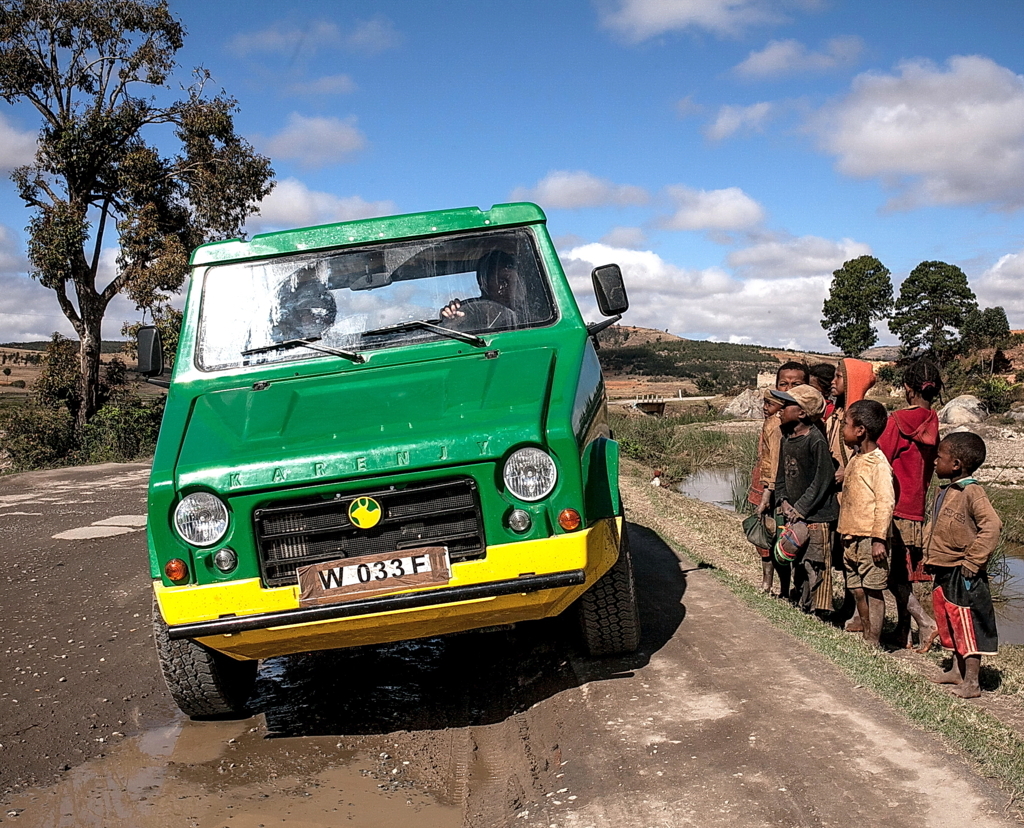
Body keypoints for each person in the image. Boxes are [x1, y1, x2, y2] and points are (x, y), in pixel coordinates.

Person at [925, 432, 1002, 698]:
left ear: (956, 464)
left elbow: (992, 526)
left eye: (940, 457)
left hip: (963, 571)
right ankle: (957, 671)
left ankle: (972, 682)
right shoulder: (946, 491)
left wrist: (974, 560)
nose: (935, 462)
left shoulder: (972, 492)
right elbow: (934, 527)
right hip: (944, 568)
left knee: (967, 624)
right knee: (949, 621)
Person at [878, 359, 942, 651]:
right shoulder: (932, 422)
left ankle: (924, 621)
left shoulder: (897, 422)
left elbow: (881, 461)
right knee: (905, 573)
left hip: (895, 504)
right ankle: (903, 631)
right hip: (917, 505)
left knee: (891, 575)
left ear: (907, 389)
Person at [764, 383, 839, 611]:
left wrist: (801, 508)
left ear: (802, 413)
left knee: (816, 563)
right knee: (797, 559)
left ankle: (819, 608)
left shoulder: (815, 440)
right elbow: (781, 474)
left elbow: (823, 479)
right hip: (794, 512)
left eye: (787, 405)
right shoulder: (787, 437)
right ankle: (802, 602)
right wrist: (784, 500)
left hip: (817, 516)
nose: (780, 409)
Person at [836, 400, 895, 648]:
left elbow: (885, 502)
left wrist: (879, 539)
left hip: (869, 539)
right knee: (857, 588)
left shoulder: (878, 464)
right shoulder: (856, 458)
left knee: (872, 590)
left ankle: (873, 638)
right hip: (850, 535)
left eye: (846, 425)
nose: (842, 429)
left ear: (860, 430)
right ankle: (866, 628)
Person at [748, 388, 784, 593]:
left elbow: (774, 463)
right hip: (761, 487)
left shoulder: (775, 426)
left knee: (769, 536)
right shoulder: (770, 424)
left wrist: (767, 494)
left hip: (768, 490)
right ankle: (769, 583)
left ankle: (771, 584)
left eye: (769, 404)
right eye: (765, 403)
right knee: (764, 537)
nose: (764, 408)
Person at [440, 250, 525, 328]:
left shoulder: (528, 319)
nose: (504, 288)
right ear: (483, 283)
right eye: (501, 281)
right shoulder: (468, 311)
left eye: (512, 282)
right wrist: (450, 319)